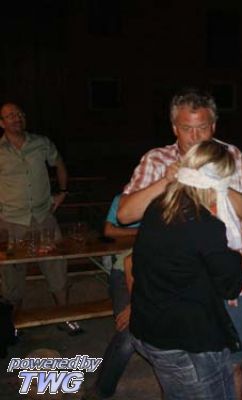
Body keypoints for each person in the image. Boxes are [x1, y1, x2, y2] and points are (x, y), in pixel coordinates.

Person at [117, 88, 242, 400]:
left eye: (203, 127)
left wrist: (217, 182)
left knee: (232, 365)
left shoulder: (231, 156)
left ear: (214, 125)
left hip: (229, 285)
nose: (195, 137)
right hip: (179, 293)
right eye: (187, 128)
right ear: (174, 127)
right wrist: (167, 181)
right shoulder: (156, 158)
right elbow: (125, 214)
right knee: (181, 375)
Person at [130, 140, 242, 400]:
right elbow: (230, 285)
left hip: (150, 328)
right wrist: (236, 254)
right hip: (187, 342)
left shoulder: (158, 207)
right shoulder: (205, 224)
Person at [0, 103, 80, 334]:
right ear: (2, 123)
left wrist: (62, 192)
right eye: (10, 115)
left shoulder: (41, 142)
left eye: (19, 114)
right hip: (11, 221)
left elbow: (59, 164)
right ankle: (13, 324)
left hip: (43, 216)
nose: (17, 118)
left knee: (57, 266)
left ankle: (65, 317)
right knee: (11, 275)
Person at [84, 194, 141, 399]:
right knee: (129, 333)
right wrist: (135, 304)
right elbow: (110, 233)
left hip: (158, 276)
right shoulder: (128, 199)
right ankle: (101, 389)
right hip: (127, 271)